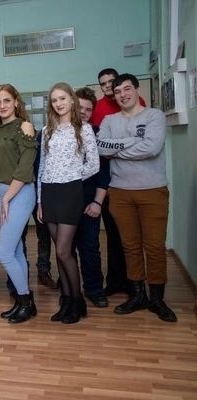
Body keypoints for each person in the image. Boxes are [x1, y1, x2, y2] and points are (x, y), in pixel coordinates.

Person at [96, 74, 176, 323]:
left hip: (152, 190)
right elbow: (101, 147)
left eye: (127, 89)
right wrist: (132, 142)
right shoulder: (109, 120)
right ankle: (138, 295)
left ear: (137, 90)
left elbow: (151, 148)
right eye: (117, 91)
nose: (122, 94)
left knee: (154, 247)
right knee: (129, 246)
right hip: (120, 192)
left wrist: (117, 149)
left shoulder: (154, 116)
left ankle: (157, 299)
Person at [37, 82, 99, 324]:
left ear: (72, 100)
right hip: (49, 192)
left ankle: (77, 300)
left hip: (71, 192)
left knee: (64, 250)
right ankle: (66, 300)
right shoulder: (47, 130)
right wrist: (40, 201)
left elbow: (94, 164)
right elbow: (42, 167)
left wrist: (72, 177)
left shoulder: (84, 129)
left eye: (62, 98)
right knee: (60, 252)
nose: (59, 103)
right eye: (54, 100)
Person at [0, 84, 38, 323]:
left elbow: (25, 167)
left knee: (4, 253)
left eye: (7, 100)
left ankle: (26, 301)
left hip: (20, 193)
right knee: (15, 251)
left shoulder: (24, 126)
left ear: (16, 102)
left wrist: (7, 198)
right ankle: (22, 300)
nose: (2, 105)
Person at [90, 67, 145, 297]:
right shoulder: (97, 108)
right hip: (107, 180)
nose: (108, 87)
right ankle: (114, 281)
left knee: (131, 236)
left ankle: (135, 283)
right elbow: (99, 146)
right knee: (112, 235)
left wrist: (116, 148)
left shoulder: (136, 102)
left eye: (111, 82)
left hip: (133, 178)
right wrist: (127, 143)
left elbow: (144, 143)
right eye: (103, 84)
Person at [73, 87, 109, 308]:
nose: (83, 112)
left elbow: (103, 172)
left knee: (90, 247)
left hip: (89, 201)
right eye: (80, 107)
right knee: (65, 249)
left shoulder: (97, 134)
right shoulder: (58, 133)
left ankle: (94, 289)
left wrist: (97, 202)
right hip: (65, 201)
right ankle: (70, 290)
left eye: (88, 109)